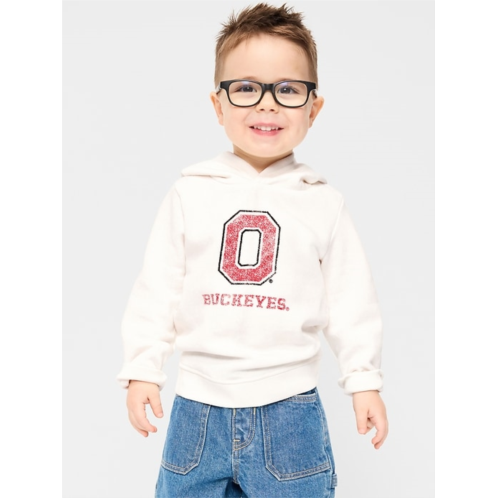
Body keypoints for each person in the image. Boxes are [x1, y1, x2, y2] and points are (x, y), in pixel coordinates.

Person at [117, 3, 389, 497]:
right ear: (218, 105)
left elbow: (352, 301)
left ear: (313, 108)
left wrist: (363, 379)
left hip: (290, 411)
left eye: (287, 89)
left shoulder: (322, 203)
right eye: (246, 88)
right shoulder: (190, 193)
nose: (267, 105)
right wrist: (142, 369)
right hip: (197, 408)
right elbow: (157, 289)